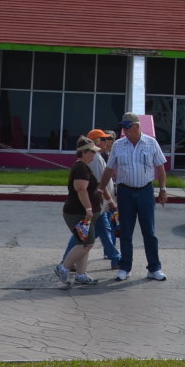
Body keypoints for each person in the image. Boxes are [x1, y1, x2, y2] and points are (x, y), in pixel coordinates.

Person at [102, 112, 169, 281]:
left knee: (149, 232)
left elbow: (160, 167)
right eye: (122, 127)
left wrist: (162, 189)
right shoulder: (118, 145)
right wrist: (100, 189)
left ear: (137, 126)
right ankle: (125, 267)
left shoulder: (150, 143)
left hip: (145, 191)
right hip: (125, 192)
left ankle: (154, 268)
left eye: (127, 127)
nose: (124, 130)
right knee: (125, 232)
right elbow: (109, 169)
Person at [62, 131, 120, 268]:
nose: (107, 142)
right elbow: (89, 187)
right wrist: (93, 207)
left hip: (99, 205)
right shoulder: (89, 163)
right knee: (87, 237)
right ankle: (65, 265)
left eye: (108, 139)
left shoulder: (96, 158)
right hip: (96, 206)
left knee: (87, 236)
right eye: (104, 139)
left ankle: (77, 268)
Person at [55, 143, 102, 287]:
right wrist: (88, 209)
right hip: (78, 213)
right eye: (92, 152)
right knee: (87, 243)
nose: (94, 155)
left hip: (81, 212)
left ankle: (81, 275)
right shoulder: (81, 168)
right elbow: (81, 189)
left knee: (84, 244)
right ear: (84, 152)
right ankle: (63, 268)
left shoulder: (83, 166)